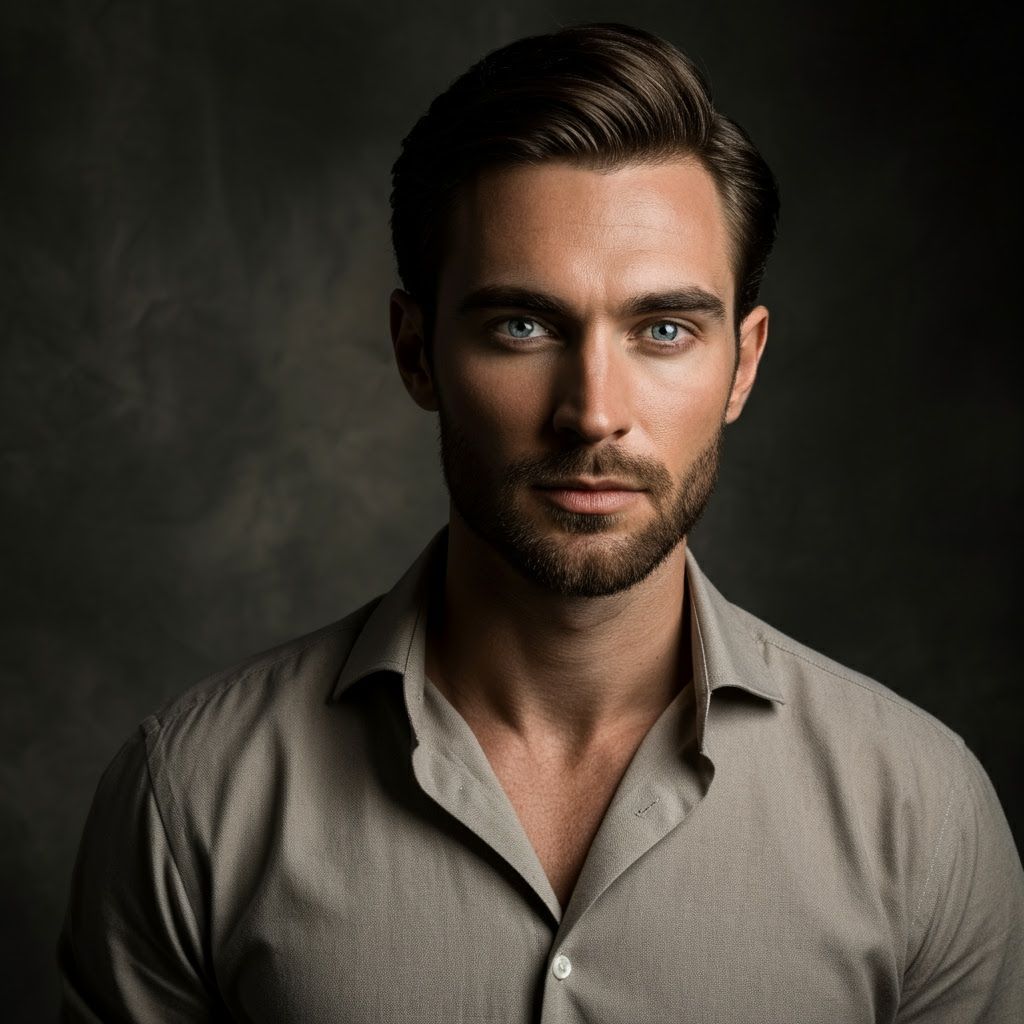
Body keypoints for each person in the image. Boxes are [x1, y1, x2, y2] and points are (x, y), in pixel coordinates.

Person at [58, 22, 1023, 1022]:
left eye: (662, 329)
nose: (592, 409)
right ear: (417, 351)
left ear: (741, 364)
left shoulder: (920, 813)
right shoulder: (192, 800)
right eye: (522, 325)